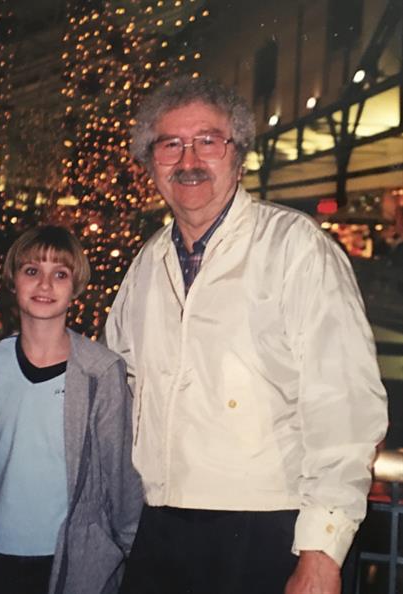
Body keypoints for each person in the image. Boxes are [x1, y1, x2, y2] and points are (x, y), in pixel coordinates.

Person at [104, 77, 388, 594]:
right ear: (152, 166)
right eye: (170, 144)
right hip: (159, 531)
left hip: (268, 531)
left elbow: (343, 405)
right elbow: (112, 386)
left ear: (239, 157)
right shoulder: (146, 264)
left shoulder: (297, 248)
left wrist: (322, 551)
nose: (188, 159)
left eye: (208, 141)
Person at [0, 225, 142, 594]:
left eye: (59, 274)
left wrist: (129, 549)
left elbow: (121, 475)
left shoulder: (100, 372)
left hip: (70, 561)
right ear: (13, 280)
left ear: (75, 287)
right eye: (32, 271)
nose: (45, 285)